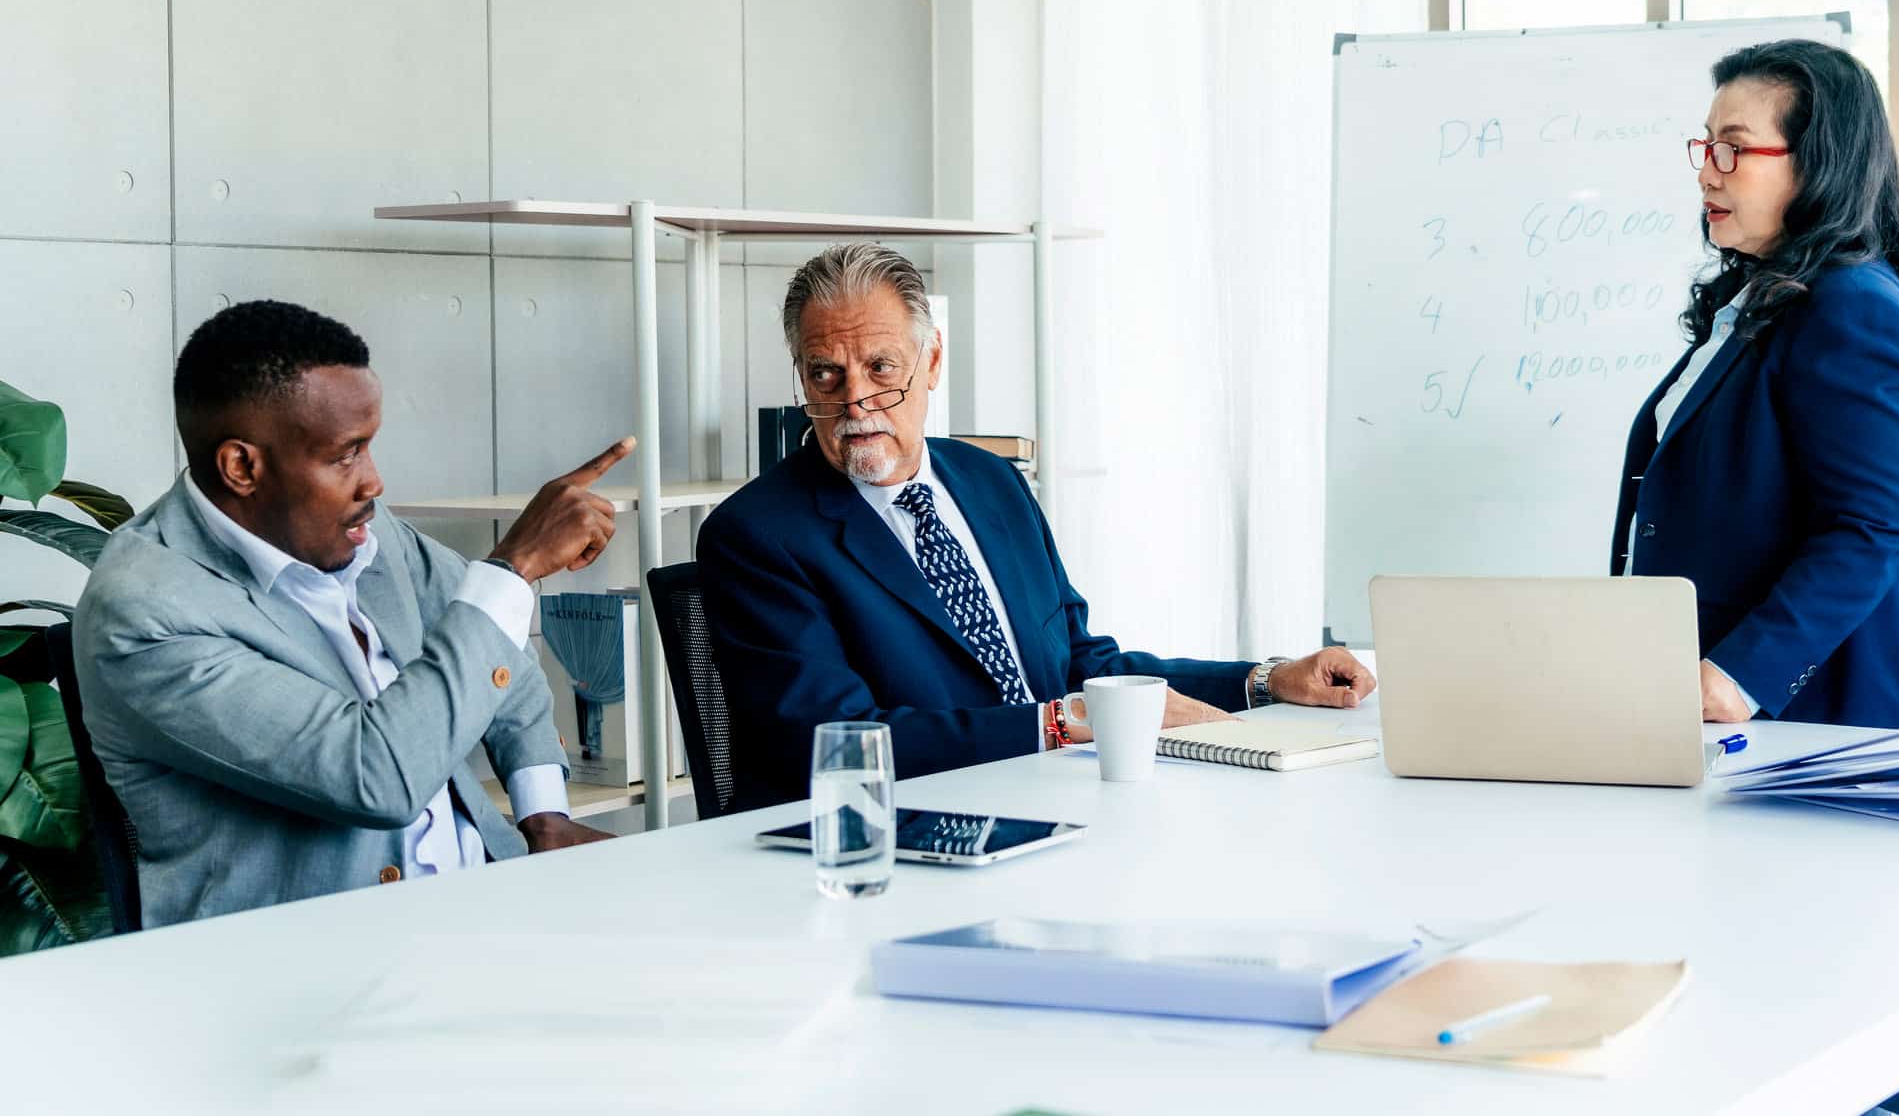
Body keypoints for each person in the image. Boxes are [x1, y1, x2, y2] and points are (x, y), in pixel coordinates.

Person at [698, 244, 1375, 808]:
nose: (857, 401)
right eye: (825, 375)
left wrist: (1264, 681)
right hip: (915, 825)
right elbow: (838, 743)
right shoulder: (758, 534)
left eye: (880, 368)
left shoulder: (990, 481)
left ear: (931, 361)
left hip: (1061, 797)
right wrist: (1065, 723)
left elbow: (1081, 666)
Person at [74, 300, 626, 927]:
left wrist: (544, 818)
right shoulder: (144, 613)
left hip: (486, 907)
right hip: (305, 966)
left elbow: (504, 660)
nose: (374, 482)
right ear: (242, 467)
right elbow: (375, 777)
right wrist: (514, 569)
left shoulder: (362, 528)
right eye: (346, 454)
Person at [1611, 40, 1899, 728]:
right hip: (1717, 709)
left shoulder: (1851, 306)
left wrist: (1743, 674)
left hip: (1815, 717)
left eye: (1734, 149)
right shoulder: (1759, 298)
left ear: (1817, 162)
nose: (1707, 174)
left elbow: (1870, 526)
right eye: (1705, 146)